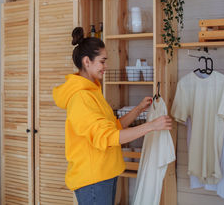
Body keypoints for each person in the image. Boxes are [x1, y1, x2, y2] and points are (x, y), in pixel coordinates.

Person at [52, 27, 172, 205]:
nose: (105, 67)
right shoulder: (81, 98)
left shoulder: (92, 91)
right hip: (93, 179)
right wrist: (152, 126)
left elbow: (113, 127)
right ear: (87, 61)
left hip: (104, 174)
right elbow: (108, 137)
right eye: (102, 61)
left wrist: (138, 110)